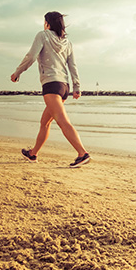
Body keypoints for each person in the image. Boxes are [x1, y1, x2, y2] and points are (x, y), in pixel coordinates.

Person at [10, 11, 90, 168]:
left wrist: (17, 72)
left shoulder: (43, 35)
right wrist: (76, 87)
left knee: (62, 121)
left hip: (51, 85)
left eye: (44, 21)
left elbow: (31, 57)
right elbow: (72, 65)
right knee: (45, 122)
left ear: (47, 23)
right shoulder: (67, 42)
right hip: (63, 86)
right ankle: (33, 153)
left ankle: (82, 153)